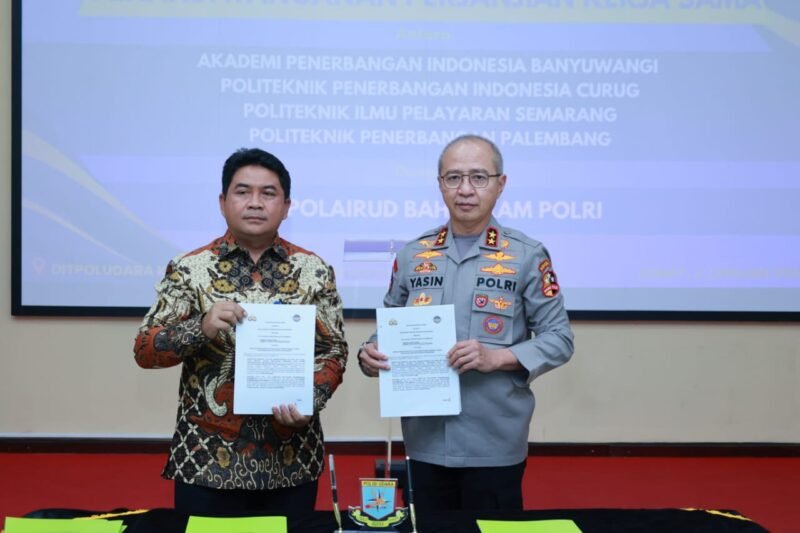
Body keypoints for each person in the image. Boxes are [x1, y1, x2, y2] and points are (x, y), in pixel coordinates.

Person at [358, 134, 574, 511]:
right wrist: (369, 354)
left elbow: (559, 339)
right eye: (454, 178)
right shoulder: (413, 255)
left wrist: (497, 357)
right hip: (425, 439)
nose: (466, 189)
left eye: (479, 177)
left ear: (500, 184)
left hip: (494, 439)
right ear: (440, 184)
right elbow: (387, 329)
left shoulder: (526, 255)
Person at [134, 147, 348, 514]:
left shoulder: (314, 270)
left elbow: (334, 350)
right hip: (206, 460)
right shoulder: (188, 269)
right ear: (222, 202)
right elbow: (145, 350)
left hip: (292, 457)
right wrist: (201, 327)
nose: (255, 202)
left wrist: (310, 399)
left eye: (269, 193)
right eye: (243, 191)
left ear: (286, 206)